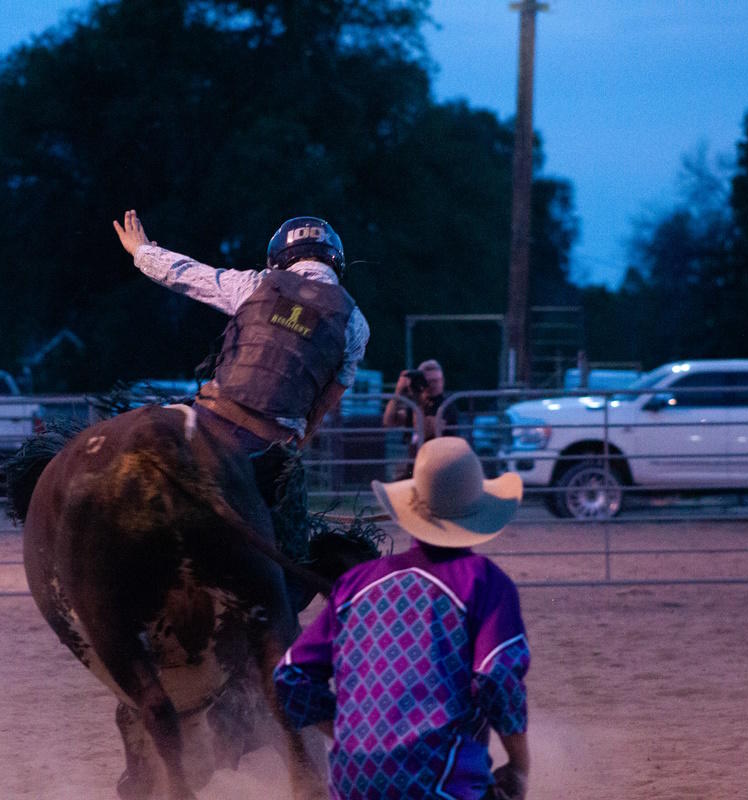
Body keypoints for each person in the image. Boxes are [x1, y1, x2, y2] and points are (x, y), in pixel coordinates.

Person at [273, 436, 531, 800]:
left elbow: (291, 676)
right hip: (441, 781)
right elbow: (498, 677)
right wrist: (519, 767)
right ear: (477, 511)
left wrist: (356, 735)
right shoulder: (484, 583)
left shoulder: (354, 584)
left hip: (352, 781)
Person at [112, 209, 370, 556]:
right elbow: (322, 407)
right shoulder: (355, 323)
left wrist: (142, 252)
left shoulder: (255, 284)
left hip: (208, 421)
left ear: (279, 258)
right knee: (293, 559)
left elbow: (190, 276)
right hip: (269, 447)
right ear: (336, 261)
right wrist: (291, 454)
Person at [383, 359, 459, 478]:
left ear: (442, 381)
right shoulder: (415, 404)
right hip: (415, 466)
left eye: (436, 381)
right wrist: (398, 393)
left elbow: (425, 430)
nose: (433, 385)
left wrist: (417, 400)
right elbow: (389, 421)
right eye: (428, 381)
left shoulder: (446, 405)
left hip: (438, 468)